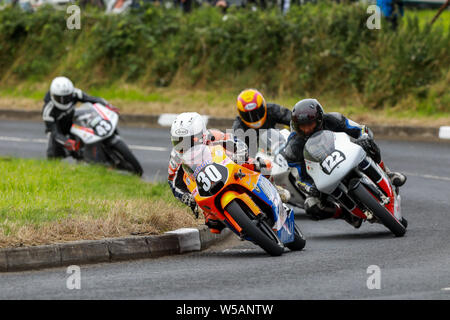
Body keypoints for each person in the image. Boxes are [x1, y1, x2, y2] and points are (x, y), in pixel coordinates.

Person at [280, 98, 407, 227]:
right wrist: (309, 187)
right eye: (303, 126)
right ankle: (344, 213)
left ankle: (386, 172)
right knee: (312, 206)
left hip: (345, 154)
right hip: (321, 175)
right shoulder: (293, 147)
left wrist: (363, 137)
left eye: (310, 124)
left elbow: (361, 129)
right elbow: (298, 177)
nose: (307, 130)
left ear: (319, 119)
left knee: (369, 144)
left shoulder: (334, 119)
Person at [168, 112, 271, 234]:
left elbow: (237, 143)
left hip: (230, 167)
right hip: (206, 188)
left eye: (188, 140)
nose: (183, 146)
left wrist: (240, 154)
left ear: (201, 134)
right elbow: (173, 182)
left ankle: (274, 190)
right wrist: (185, 196)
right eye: (178, 142)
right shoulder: (176, 157)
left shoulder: (214, 136)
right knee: (213, 226)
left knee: (264, 166)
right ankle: (243, 227)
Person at [42, 76, 113, 159]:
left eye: (67, 97)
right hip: (58, 128)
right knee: (52, 154)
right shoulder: (48, 111)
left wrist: (107, 105)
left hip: (73, 120)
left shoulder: (75, 93)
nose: (63, 101)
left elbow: (92, 99)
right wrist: (67, 142)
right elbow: (54, 132)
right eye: (59, 98)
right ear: (52, 95)